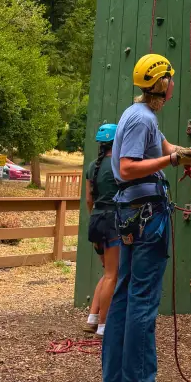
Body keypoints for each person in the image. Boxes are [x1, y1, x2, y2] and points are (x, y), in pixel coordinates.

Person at [101, 53, 191, 382]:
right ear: (162, 84)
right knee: (142, 299)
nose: (174, 84)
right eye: (171, 79)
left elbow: (171, 149)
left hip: (131, 216)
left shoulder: (138, 115)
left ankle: (114, 379)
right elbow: (129, 168)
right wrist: (172, 163)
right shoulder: (143, 120)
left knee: (126, 294)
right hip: (147, 218)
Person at [83, 123, 120, 338]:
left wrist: (94, 217)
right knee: (112, 275)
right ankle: (104, 327)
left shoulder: (91, 166)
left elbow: (89, 199)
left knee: (107, 272)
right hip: (113, 221)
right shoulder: (118, 165)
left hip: (96, 220)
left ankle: (92, 318)